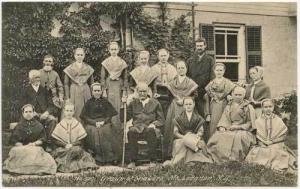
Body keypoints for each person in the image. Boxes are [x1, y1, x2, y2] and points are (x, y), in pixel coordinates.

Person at [246, 99, 297, 174]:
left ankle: (275, 165)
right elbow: (257, 135)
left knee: (276, 151)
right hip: (263, 143)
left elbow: (283, 136)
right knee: (260, 151)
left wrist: (272, 142)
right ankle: (264, 165)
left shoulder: (278, 120)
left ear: (273, 107)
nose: (268, 109)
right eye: (265, 107)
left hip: (275, 143)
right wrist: (262, 142)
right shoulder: (258, 121)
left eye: (270, 106)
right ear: (262, 108)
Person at [206, 86, 256, 163]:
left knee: (238, 137)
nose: (238, 97)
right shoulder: (229, 105)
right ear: (232, 94)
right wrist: (222, 126)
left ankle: (235, 159)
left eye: (240, 95)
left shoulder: (248, 107)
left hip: (242, 129)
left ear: (244, 95)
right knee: (219, 135)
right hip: (229, 127)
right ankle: (220, 158)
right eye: (236, 94)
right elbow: (225, 118)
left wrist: (238, 127)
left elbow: (250, 122)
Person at [121, 82, 165, 169]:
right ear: (137, 92)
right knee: (131, 131)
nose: (142, 93)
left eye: (144, 91)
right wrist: (123, 105)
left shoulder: (155, 103)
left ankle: (153, 160)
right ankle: (133, 161)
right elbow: (123, 118)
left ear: (148, 91)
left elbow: (161, 120)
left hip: (150, 127)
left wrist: (153, 124)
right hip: (137, 128)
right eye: (140, 91)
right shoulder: (133, 103)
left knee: (150, 131)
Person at [3, 104, 57, 175]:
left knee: (36, 151)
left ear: (33, 113)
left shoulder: (39, 125)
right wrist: (20, 145)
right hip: (21, 148)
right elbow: (14, 139)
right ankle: (20, 169)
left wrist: (34, 144)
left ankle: (34, 169)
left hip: (34, 147)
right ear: (23, 113)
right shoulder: (19, 126)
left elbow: (43, 139)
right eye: (26, 112)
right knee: (15, 151)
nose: (28, 114)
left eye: (30, 112)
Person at [163, 97, 212, 167]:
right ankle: (185, 161)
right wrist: (185, 137)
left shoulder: (198, 117)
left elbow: (201, 131)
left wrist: (197, 135)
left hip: (194, 138)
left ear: (194, 104)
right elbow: (175, 132)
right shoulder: (178, 118)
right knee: (180, 143)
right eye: (186, 104)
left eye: (190, 104)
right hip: (182, 138)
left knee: (200, 143)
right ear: (183, 106)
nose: (188, 106)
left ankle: (194, 160)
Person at [163, 60, 198, 160]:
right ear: (176, 69)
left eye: (183, 68)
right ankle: (170, 153)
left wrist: (185, 100)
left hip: (187, 106)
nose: (181, 70)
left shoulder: (191, 82)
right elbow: (169, 96)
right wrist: (176, 100)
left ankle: (188, 152)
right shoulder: (172, 83)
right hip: (175, 106)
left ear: (186, 69)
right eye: (179, 68)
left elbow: (195, 95)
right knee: (172, 127)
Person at [51, 102, 98, 173]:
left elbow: (81, 140)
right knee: (58, 152)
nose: (69, 113)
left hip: (74, 147)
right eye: (67, 111)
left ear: (73, 112)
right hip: (64, 148)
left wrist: (72, 145)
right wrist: (65, 145)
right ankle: (66, 164)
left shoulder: (77, 124)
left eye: (71, 111)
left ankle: (67, 164)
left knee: (77, 150)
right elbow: (55, 140)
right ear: (64, 111)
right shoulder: (60, 124)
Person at [80, 83, 118, 165]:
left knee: (107, 130)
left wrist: (103, 122)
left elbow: (109, 115)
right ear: (92, 92)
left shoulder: (105, 101)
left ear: (101, 91)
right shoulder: (88, 102)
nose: (97, 92)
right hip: (92, 123)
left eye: (98, 90)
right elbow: (84, 117)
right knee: (94, 132)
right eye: (95, 91)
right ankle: (98, 158)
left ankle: (109, 158)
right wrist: (94, 123)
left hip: (104, 122)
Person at [21, 70, 57, 151]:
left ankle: (48, 144)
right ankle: (34, 143)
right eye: (35, 77)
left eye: (38, 77)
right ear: (30, 79)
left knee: (52, 120)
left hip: (44, 114)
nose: (37, 79)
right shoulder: (26, 91)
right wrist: (31, 112)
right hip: (32, 114)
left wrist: (47, 113)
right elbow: (23, 105)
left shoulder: (44, 90)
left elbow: (51, 105)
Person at [187, 38, 215, 142]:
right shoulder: (190, 60)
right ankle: (193, 140)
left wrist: (207, 91)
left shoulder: (210, 60)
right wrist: (192, 91)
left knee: (204, 118)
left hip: (205, 93)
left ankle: (205, 141)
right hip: (193, 93)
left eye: (201, 46)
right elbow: (188, 77)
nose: (199, 48)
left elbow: (212, 77)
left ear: (205, 46)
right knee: (192, 117)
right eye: (197, 46)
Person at [204, 63, 235, 137]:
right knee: (214, 125)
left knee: (225, 125)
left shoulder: (228, 83)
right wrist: (207, 114)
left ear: (224, 71)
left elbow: (234, 94)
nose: (219, 72)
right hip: (214, 106)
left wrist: (229, 95)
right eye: (217, 70)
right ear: (214, 71)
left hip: (225, 106)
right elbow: (206, 98)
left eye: (221, 70)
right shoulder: (211, 84)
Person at [64, 48, 94, 120]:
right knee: (76, 110)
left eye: (81, 55)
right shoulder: (69, 69)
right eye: (78, 55)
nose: (79, 56)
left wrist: (92, 94)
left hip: (85, 90)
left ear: (84, 56)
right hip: (74, 90)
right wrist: (67, 97)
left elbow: (92, 82)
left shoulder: (88, 68)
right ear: (74, 56)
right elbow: (66, 84)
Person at [151, 48, 177, 116]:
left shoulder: (173, 68)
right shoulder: (153, 68)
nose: (163, 58)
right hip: (158, 90)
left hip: (169, 92)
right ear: (158, 56)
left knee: (169, 112)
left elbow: (175, 82)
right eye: (161, 56)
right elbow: (151, 84)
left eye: (165, 56)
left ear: (168, 56)